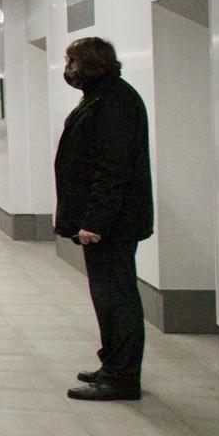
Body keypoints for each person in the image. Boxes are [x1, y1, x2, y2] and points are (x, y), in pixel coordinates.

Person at [53, 36, 153, 400]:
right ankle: (112, 363)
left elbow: (112, 169)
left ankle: (123, 377)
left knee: (117, 297)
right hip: (109, 221)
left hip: (112, 224)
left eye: (72, 62)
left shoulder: (115, 103)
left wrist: (95, 221)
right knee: (109, 296)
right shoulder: (104, 97)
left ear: (90, 64)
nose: (69, 69)